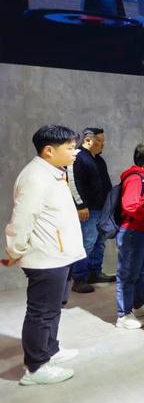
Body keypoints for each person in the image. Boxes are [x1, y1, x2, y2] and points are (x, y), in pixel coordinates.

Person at [3, 126, 86, 385]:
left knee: (53, 308)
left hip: (59, 255)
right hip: (46, 257)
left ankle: (50, 349)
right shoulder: (35, 177)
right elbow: (22, 220)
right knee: (41, 312)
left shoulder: (53, 173)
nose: (75, 152)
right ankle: (36, 367)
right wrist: (15, 250)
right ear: (49, 150)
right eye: (70, 148)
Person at [114, 144, 144, 330]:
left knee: (141, 270)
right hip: (132, 231)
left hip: (143, 231)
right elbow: (130, 205)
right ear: (142, 158)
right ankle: (123, 314)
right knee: (127, 273)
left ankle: (138, 304)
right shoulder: (136, 178)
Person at [67, 127, 114, 294]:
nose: (103, 144)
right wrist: (81, 205)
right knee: (87, 243)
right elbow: (72, 182)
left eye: (103, 141)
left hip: (102, 208)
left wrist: (110, 205)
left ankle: (95, 272)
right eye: (99, 141)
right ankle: (79, 279)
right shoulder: (77, 157)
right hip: (88, 209)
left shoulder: (99, 160)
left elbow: (106, 183)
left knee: (100, 242)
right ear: (88, 140)